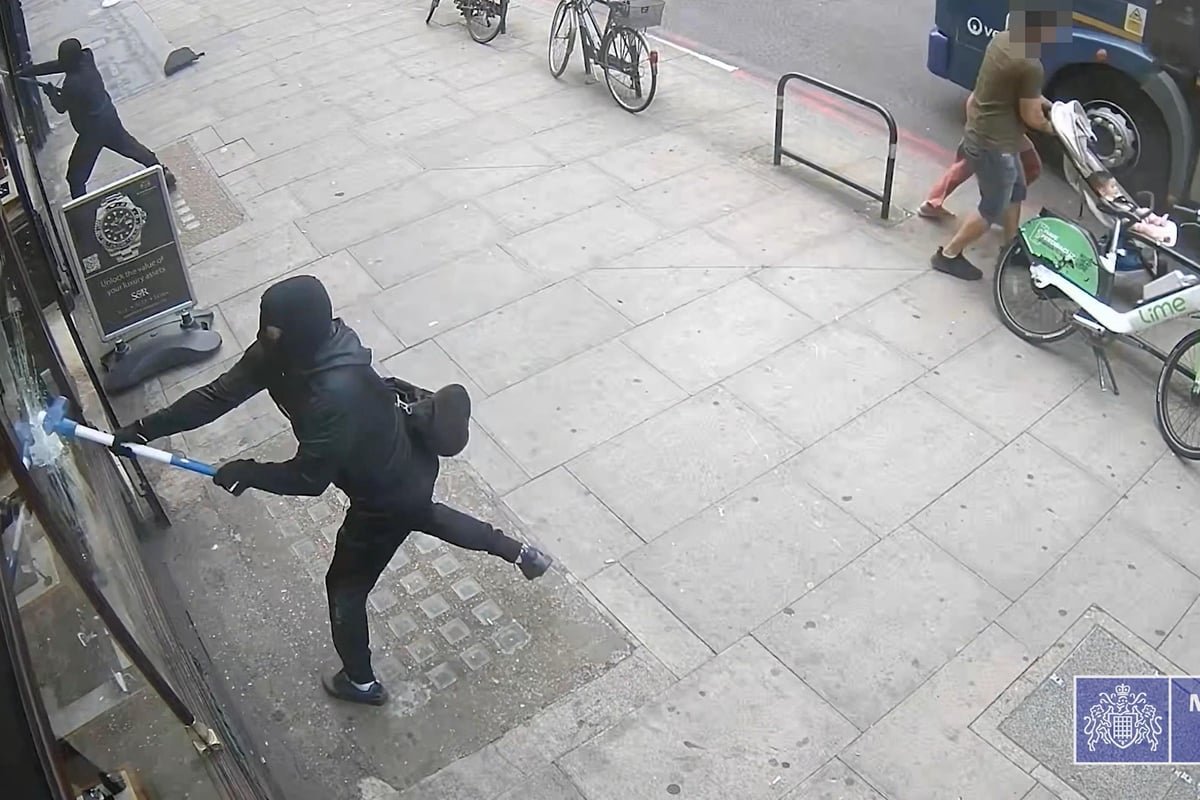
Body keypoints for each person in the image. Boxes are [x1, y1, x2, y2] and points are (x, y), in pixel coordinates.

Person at [110, 275, 553, 706]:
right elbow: (215, 397)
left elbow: (309, 479)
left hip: (384, 496)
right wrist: (146, 430)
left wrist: (249, 471)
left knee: (346, 587)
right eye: (265, 325)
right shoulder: (280, 351)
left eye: (273, 328)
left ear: (299, 332)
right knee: (425, 513)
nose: (264, 335)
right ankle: (522, 554)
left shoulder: (333, 396)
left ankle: (359, 682)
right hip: (401, 464)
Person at [930, 8, 1059, 280]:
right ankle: (948, 254)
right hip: (994, 145)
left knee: (1017, 189)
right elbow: (1031, 117)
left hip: (989, 133)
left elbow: (1024, 93)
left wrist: (1050, 105)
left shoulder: (1003, 40)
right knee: (993, 206)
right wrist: (1056, 128)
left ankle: (1010, 247)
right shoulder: (1031, 64)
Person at [22, 38, 175, 198]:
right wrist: (32, 71)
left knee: (75, 177)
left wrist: (51, 94)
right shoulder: (87, 57)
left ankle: (82, 208)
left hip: (92, 133)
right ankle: (161, 170)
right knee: (132, 148)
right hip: (109, 118)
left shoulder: (72, 84)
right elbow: (59, 66)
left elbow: (61, 107)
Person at [919, 94, 1042, 220]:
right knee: (968, 162)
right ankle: (933, 203)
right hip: (993, 123)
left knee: (1031, 166)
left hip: (1000, 121)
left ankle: (998, 204)